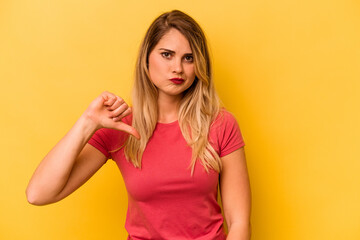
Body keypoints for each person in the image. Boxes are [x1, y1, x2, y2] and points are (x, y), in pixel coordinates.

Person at [26, 10, 251, 240]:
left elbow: (239, 222)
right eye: (167, 55)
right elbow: (38, 194)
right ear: (146, 59)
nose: (178, 68)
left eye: (189, 58)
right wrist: (87, 123)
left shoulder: (221, 125)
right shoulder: (120, 128)